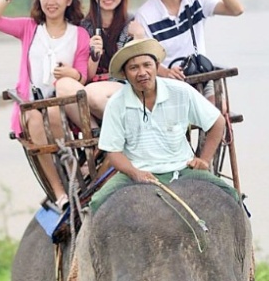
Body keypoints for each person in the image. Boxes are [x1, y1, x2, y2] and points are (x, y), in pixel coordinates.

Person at [89, 38, 239, 213]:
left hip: (182, 169)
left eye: (147, 65)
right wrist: (135, 173)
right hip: (138, 172)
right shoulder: (116, 103)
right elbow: (113, 152)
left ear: (156, 65)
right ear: (125, 73)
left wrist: (204, 160)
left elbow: (217, 122)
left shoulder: (181, 91)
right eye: (133, 68)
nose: (142, 72)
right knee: (97, 203)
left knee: (231, 196)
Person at [0, 0, 90, 210]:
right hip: (32, 103)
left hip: (60, 104)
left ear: (69, 0)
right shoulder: (29, 28)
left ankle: (74, 173)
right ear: (39, 0)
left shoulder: (79, 34)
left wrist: (71, 74)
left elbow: (83, 75)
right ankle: (58, 191)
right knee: (33, 117)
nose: (51, 2)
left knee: (53, 114)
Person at [134, 0, 244, 101]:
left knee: (218, 113)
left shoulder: (196, 0)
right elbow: (144, 59)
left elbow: (236, 9)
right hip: (169, 85)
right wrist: (166, 72)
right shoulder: (145, 15)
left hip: (201, 76)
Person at [56, 0, 146, 127]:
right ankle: (96, 134)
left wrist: (139, 38)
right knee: (66, 90)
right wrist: (94, 56)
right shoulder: (84, 27)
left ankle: (134, 127)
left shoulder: (132, 23)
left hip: (124, 86)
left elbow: (142, 69)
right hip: (92, 87)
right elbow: (87, 76)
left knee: (91, 95)